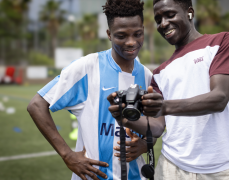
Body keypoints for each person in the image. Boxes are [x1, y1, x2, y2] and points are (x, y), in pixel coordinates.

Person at [108, 0, 229, 179]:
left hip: (221, 169)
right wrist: (124, 118)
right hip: (170, 168)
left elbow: (219, 98)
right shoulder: (159, 73)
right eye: (158, 19)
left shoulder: (221, 42)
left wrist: (164, 106)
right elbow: (157, 128)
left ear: (189, 12)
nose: (163, 23)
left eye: (170, 15)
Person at [27, 0, 154, 179]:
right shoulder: (87, 68)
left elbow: (155, 125)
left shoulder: (147, 76)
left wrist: (146, 144)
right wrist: (68, 155)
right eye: (121, 36)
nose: (131, 42)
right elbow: (36, 105)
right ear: (109, 34)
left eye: (137, 34)